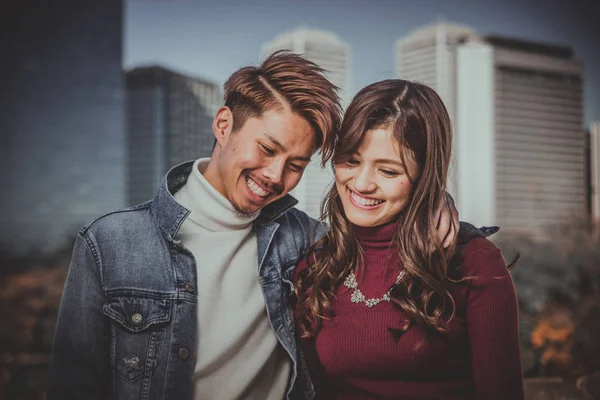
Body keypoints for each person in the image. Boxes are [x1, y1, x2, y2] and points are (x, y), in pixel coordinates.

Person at [48, 52, 458, 400]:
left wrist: (435, 202)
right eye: (267, 149)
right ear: (224, 125)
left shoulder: (308, 242)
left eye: (296, 165)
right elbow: (73, 384)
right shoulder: (110, 244)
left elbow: (382, 228)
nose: (275, 175)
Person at [295, 79, 524, 400]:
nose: (361, 183)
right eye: (351, 160)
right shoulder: (314, 266)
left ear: (424, 176)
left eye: (387, 171)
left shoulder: (475, 262)